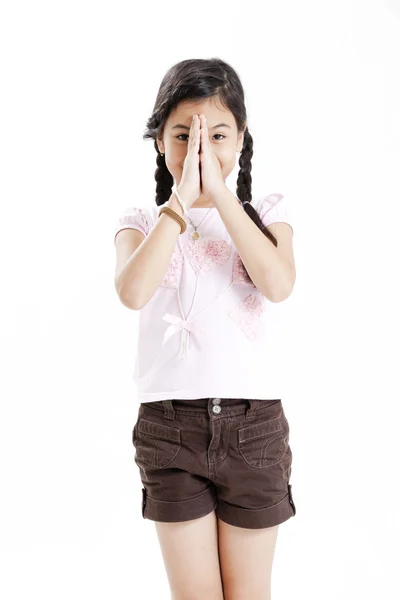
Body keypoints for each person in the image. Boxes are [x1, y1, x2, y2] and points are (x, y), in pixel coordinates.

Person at [113, 57, 297, 600]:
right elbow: (132, 292)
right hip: (170, 430)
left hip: (253, 429)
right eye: (182, 135)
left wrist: (220, 194)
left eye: (217, 134)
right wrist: (180, 203)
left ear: (241, 138)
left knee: (248, 594)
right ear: (158, 142)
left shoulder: (266, 212)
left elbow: (278, 283)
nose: (200, 149)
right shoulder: (141, 221)